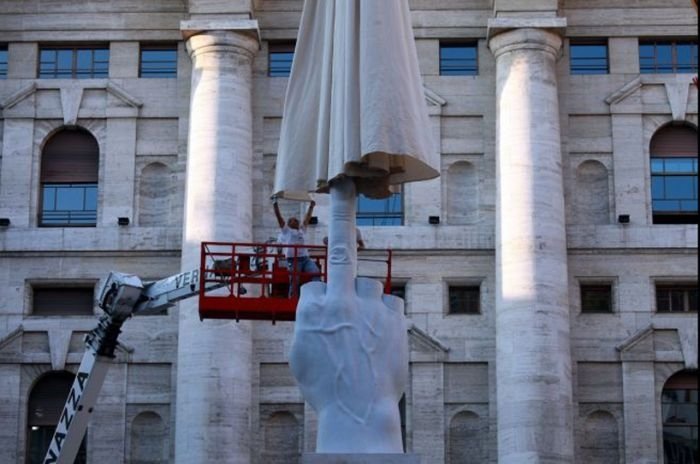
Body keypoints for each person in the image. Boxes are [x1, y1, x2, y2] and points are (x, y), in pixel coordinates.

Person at [273, 196, 320, 296]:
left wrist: (311, 206)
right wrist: (275, 204)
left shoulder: (301, 230)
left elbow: (307, 218)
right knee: (294, 281)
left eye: (296, 220)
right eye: (292, 220)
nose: (295, 221)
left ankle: (316, 295)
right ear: (289, 223)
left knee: (316, 272)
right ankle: (293, 300)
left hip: (305, 259)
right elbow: (279, 218)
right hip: (293, 260)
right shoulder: (286, 231)